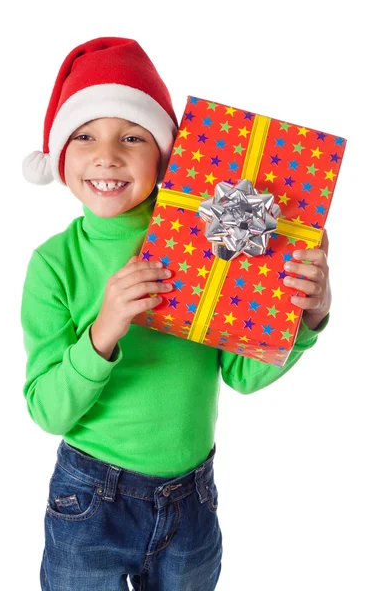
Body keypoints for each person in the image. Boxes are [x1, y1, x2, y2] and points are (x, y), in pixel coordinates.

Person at [21, 37, 331, 591]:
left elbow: (242, 374)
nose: (107, 154)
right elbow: (47, 411)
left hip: (191, 499)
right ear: (59, 156)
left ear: (166, 155)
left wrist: (304, 318)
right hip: (92, 498)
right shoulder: (53, 265)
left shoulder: (208, 240)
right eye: (84, 135)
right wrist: (102, 333)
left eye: (132, 136)